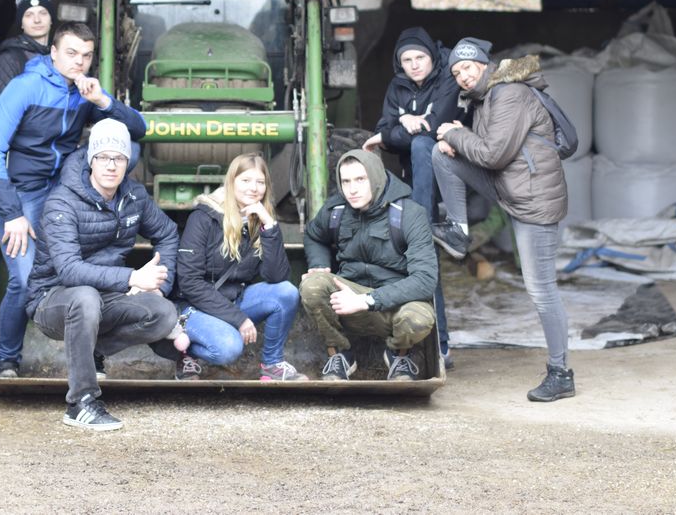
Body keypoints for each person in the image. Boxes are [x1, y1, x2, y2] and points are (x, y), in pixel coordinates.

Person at [0, 21, 147, 379]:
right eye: (71, 53)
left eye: (86, 55)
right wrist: (11, 213)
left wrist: (101, 101)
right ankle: (7, 359)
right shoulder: (25, 87)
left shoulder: (84, 91)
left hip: (64, 189)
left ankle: (91, 355)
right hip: (23, 191)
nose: (79, 62)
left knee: (127, 148)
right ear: (53, 52)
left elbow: (139, 129)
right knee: (25, 278)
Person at [432, 37, 574, 402]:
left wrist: (456, 134)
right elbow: (488, 152)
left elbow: (493, 155)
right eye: (456, 72)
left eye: (467, 67)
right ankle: (458, 230)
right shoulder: (484, 97)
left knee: (541, 290)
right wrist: (456, 141)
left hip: (534, 201)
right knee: (442, 154)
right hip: (511, 188)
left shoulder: (509, 94)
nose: (463, 76)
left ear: (484, 64)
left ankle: (561, 373)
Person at [25, 119, 180, 431]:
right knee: (85, 297)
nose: (111, 165)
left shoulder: (133, 196)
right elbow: (69, 270)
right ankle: (80, 402)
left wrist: (162, 284)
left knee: (163, 314)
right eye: (103, 157)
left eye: (119, 158)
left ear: (127, 162)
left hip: (105, 296)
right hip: (53, 299)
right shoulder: (61, 202)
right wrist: (132, 278)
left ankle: (91, 348)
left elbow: (168, 233)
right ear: (91, 160)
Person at [362, 26, 463, 369]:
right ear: (399, 63)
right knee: (419, 264)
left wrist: (400, 128)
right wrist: (400, 124)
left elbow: (434, 127)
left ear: (432, 57)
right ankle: (436, 346)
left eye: (420, 57)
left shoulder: (447, 79)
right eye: (407, 60)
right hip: (414, 181)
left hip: (447, 179)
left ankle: (441, 345)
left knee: (422, 143)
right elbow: (384, 128)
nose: (414, 65)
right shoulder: (398, 86)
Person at [300, 149, 438, 381]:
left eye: (360, 179)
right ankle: (341, 354)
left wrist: (367, 300)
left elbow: (425, 280)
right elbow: (313, 235)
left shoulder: (409, 214)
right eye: (345, 181)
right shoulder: (336, 211)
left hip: (395, 305)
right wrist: (319, 263)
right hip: (347, 300)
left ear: (376, 177)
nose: (352, 189)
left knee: (419, 318)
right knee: (312, 285)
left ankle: (399, 355)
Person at [174, 153, 307, 382]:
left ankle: (272, 364)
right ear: (231, 182)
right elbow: (189, 282)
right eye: (245, 180)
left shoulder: (259, 220)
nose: (253, 188)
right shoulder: (204, 217)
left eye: (260, 182)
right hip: (194, 307)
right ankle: (185, 352)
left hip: (233, 300)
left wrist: (270, 227)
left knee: (287, 292)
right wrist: (239, 319)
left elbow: (277, 277)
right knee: (229, 348)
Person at [0, 0, 55, 104]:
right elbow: (2, 107)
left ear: (51, 19)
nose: (37, 20)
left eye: (43, 13)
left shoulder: (58, 56)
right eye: (29, 15)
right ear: (21, 24)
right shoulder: (9, 59)